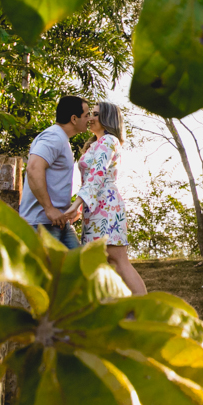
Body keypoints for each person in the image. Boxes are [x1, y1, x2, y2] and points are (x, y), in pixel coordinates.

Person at [73, 102, 147, 294]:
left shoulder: (109, 141)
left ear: (107, 118)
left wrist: (76, 204)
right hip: (93, 207)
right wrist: (81, 207)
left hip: (107, 206)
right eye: (90, 114)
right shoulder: (93, 145)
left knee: (118, 260)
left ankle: (145, 310)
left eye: (95, 114)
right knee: (101, 262)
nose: (90, 118)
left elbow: (97, 173)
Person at [19, 95, 89, 249]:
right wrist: (49, 208)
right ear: (74, 118)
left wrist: (69, 208)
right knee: (46, 272)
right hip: (42, 223)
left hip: (58, 222)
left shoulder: (61, 139)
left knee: (77, 267)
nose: (89, 119)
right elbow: (33, 168)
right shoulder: (54, 137)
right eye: (86, 115)